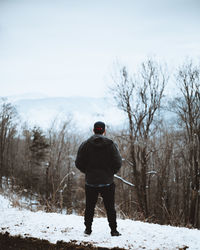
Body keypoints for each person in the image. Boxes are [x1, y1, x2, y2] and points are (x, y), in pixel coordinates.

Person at [75, 121, 122, 236]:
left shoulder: (85, 144)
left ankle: (88, 230)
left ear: (93, 130)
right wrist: (110, 173)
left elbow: (78, 163)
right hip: (107, 182)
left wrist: (87, 172)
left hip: (91, 182)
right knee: (110, 207)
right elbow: (118, 162)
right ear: (104, 131)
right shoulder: (111, 144)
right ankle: (114, 230)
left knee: (89, 206)